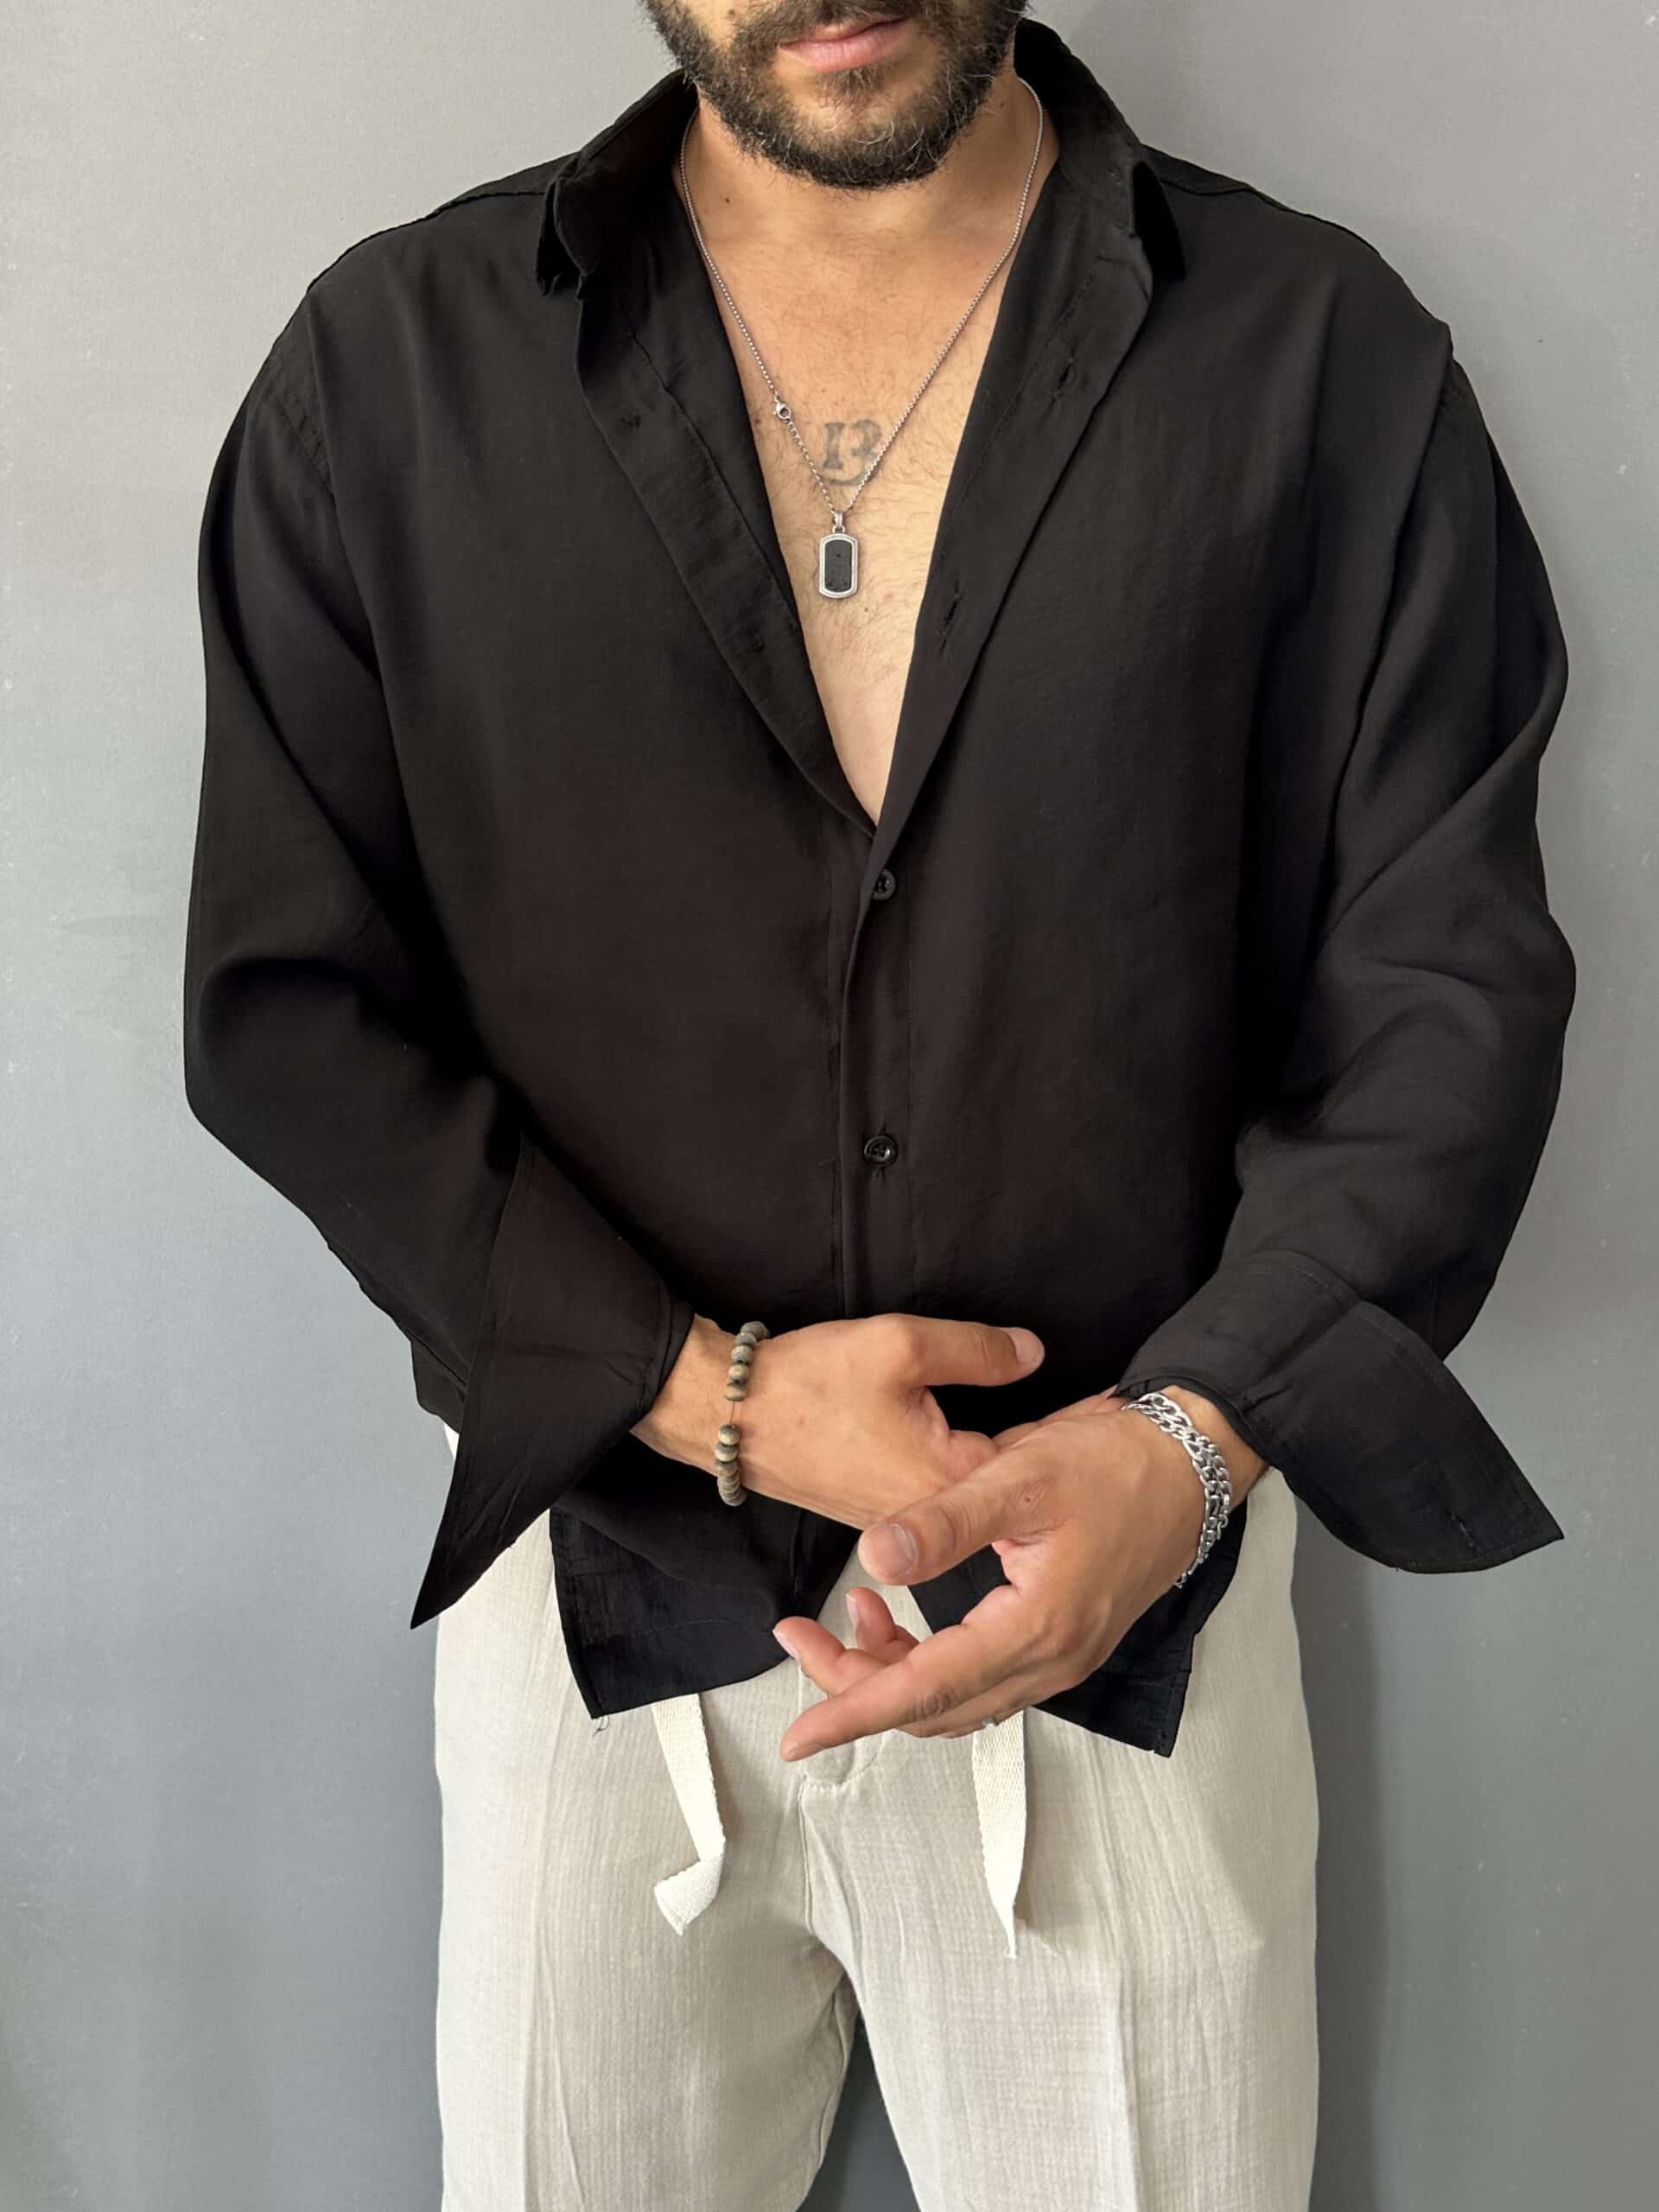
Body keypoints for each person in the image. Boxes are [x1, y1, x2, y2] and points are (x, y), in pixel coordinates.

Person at [182, 4, 1576, 2205]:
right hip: (598, 1605)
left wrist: (1188, 1446)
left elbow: (1445, 992)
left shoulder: (1322, 360)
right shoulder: (390, 374)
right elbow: (290, 1007)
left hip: (1133, 1599)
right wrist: (701, 1392)